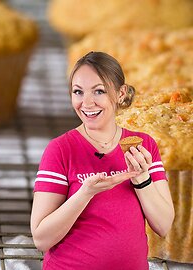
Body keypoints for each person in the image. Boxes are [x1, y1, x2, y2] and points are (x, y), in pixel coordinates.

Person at [30, 51, 175, 270]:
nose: (86, 103)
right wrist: (85, 193)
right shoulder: (60, 149)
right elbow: (41, 239)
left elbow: (163, 226)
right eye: (78, 92)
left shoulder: (143, 146)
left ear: (120, 93)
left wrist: (142, 179)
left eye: (99, 91)